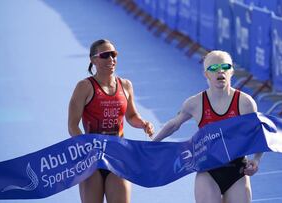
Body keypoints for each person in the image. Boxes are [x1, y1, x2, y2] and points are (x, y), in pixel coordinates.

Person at [153, 50, 263, 203]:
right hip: (208, 171)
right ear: (206, 74)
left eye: (225, 66)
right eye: (213, 68)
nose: (220, 71)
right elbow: (173, 125)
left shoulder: (245, 102)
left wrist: (256, 160)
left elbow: (259, 134)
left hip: (237, 170)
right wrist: (152, 144)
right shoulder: (195, 103)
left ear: (231, 71)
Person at [68, 39, 154, 203]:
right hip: (91, 158)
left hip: (117, 156)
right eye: (105, 55)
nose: (111, 59)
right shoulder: (84, 87)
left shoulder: (126, 85)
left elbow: (131, 116)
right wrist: (86, 147)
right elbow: (72, 125)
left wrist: (143, 124)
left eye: (114, 55)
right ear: (93, 60)